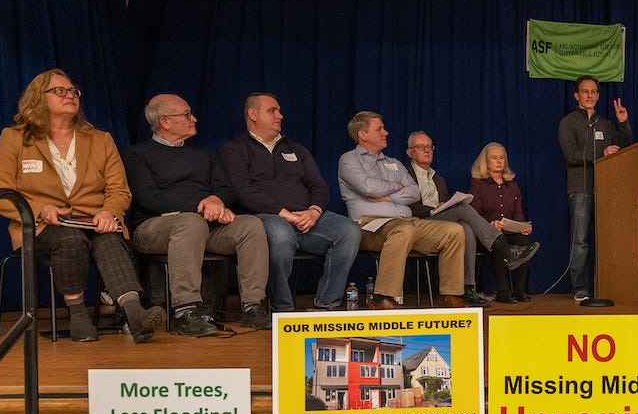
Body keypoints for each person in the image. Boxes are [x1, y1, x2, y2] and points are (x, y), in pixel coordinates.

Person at [0, 69, 163, 343]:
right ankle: (78, 314)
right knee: (70, 239)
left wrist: (109, 212)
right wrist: (41, 208)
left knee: (110, 239)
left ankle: (133, 311)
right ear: (38, 97)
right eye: (60, 91)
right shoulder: (15, 138)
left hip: (93, 221)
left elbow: (119, 190)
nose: (70, 95)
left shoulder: (100, 139)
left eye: (73, 91)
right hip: (42, 228)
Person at [123, 94, 272, 335]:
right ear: (165, 122)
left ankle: (253, 307)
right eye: (186, 115)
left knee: (250, 225)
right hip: (154, 227)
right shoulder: (137, 155)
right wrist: (202, 205)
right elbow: (149, 197)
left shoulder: (204, 155)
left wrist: (217, 200)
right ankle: (185, 310)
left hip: (203, 224)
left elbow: (225, 188)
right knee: (191, 222)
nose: (194, 118)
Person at [217, 92, 360, 312]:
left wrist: (313, 212)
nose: (280, 116)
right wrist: (286, 214)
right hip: (265, 217)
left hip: (306, 218)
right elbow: (243, 191)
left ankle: (326, 305)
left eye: (279, 111)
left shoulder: (296, 149)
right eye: (272, 111)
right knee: (280, 235)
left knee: (349, 231)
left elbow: (318, 186)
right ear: (253, 114)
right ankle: (282, 309)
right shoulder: (234, 149)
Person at [337, 111, 467, 309]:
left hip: (407, 223)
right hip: (369, 226)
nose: (386, 132)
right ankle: (382, 298)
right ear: (363, 135)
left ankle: (450, 294)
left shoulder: (394, 163)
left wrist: (388, 196)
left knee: (454, 231)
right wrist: (397, 186)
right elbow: (367, 188)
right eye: (379, 129)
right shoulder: (349, 160)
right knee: (402, 230)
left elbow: (414, 191)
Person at [404, 130, 536, 307]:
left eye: (429, 147)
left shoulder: (438, 179)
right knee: (464, 209)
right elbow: (406, 206)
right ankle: (503, 248)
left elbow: (518, 213)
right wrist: (432, 209)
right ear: (409, 152)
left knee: (466, 228)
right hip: (421, 222)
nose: (427, 150)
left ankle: (468, 289)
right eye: (421, 147)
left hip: (443, 223)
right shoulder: (405, 175)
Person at [558, 75, 632, 301]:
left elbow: (623, 146)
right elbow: (571, 156)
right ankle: (580, 289)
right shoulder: (568, 122)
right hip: (580, 189)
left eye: (593, 92)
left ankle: (607, 286)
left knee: (607, 240)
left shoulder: (605, 123)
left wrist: (622, 123)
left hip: (607, 190)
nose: (589, 95)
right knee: (580, 241)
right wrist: (601, 154)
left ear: (598, 96)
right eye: (585, 91)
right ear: (576, 96)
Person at [469, 142, 535, 303]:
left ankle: (519, 291)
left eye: (502, 158)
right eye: (494, 158)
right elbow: (473, 214)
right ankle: (503, 292)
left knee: (525, 242)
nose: (499, 161)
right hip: (485, 234)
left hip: (509, 230)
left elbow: (518, 214)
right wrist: (490, 224)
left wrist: (523, 227)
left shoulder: (512, 186)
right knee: (499, 240)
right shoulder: (477, 184)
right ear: (486, 161)